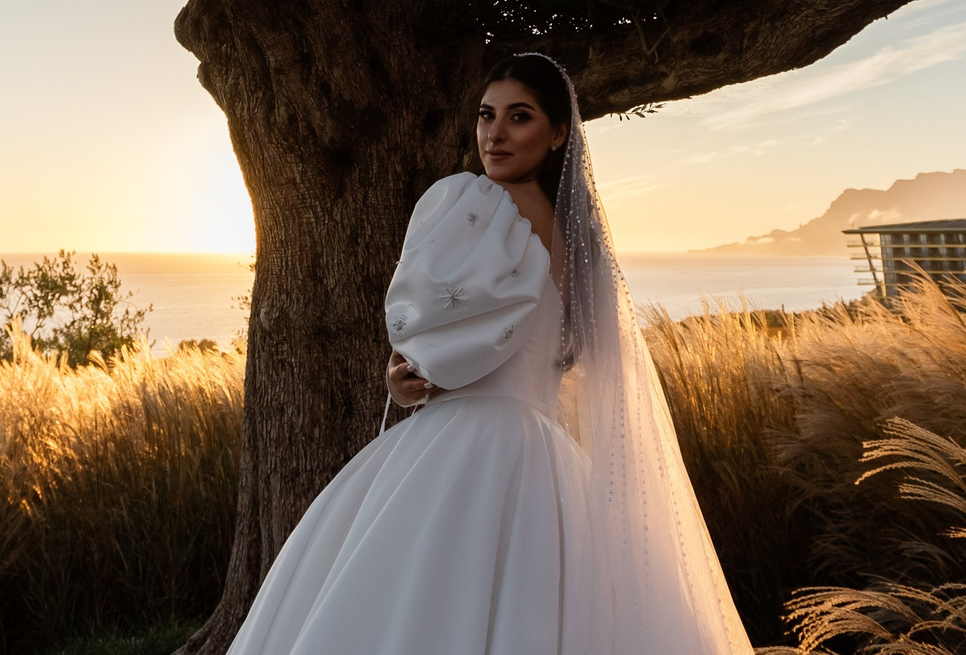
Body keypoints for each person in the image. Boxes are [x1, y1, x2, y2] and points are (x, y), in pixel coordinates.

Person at [224, 51, 753, 655]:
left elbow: (431, 331)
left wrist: (408, 377)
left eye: (518, 117)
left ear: (558, 134)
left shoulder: (467, 205)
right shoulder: (584, 249)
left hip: (460, 443)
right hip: (547, 460)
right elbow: (558, 353)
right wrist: (420, 373)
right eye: (486, 115)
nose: (494, 134)